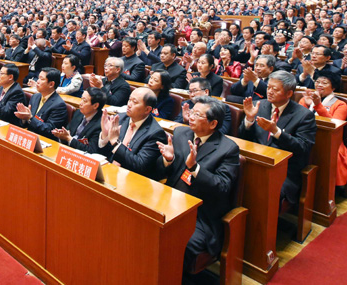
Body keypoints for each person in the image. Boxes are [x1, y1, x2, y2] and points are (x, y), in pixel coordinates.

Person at [156, 96, 240, 279]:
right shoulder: (180, 134)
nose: (191, 117)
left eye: (197, 114)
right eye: (192, 112)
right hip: (169, 202)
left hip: (200, 214)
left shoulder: (228, 149)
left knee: (176, 240)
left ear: (213, 123)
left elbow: (223, 187)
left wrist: (195, 169)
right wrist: (168, 160)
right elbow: (161, 170)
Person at [238, 70, 316, 207]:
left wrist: (276, 131)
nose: (269, 92)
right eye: (268, 87)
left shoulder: (304, 115)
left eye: (275, 89)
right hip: (254, 162)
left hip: (283, 171)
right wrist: (249, 120)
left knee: (261, 192)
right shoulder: (259, 105)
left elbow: (303, 148)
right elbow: (243, 138)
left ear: (289, 93)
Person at [97, 87, 167, 179]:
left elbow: (139, 165)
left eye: (135, 102)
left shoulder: (156, 134)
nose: (129, 104)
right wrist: (105, 137)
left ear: (147, 109)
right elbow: (103, 153)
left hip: (132, 180)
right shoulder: (120, 119)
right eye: (129, 100)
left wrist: (115, 143)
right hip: (110, 172)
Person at [299, 74, 347, 187]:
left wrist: (318, 105)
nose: (319, 85)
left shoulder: (340, 104)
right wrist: (306, 106)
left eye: (324, 83)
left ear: (333, 87)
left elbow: (333, 126)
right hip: (306, 135)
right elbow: (298, 119)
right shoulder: (306, 99)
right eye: (317, 82)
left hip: (330, 141)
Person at [14, 68, 68, 140]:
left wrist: (30, 118)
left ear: (51, 84)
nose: (37, 81)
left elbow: (50, 130)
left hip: (44, 141)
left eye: (41, 79)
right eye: (38, 78)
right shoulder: (35, 97)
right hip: (30, 136)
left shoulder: (59, 105)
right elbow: (25, 123)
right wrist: (24, 118)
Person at [52, 87, 106, 153]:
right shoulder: (78, 113)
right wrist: (62, 135)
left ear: (95, 106)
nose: (80, 103)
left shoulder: (101, 125)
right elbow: (69, 131)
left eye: (85, 101)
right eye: (81, 99)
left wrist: (69, 139)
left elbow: (91, 150)